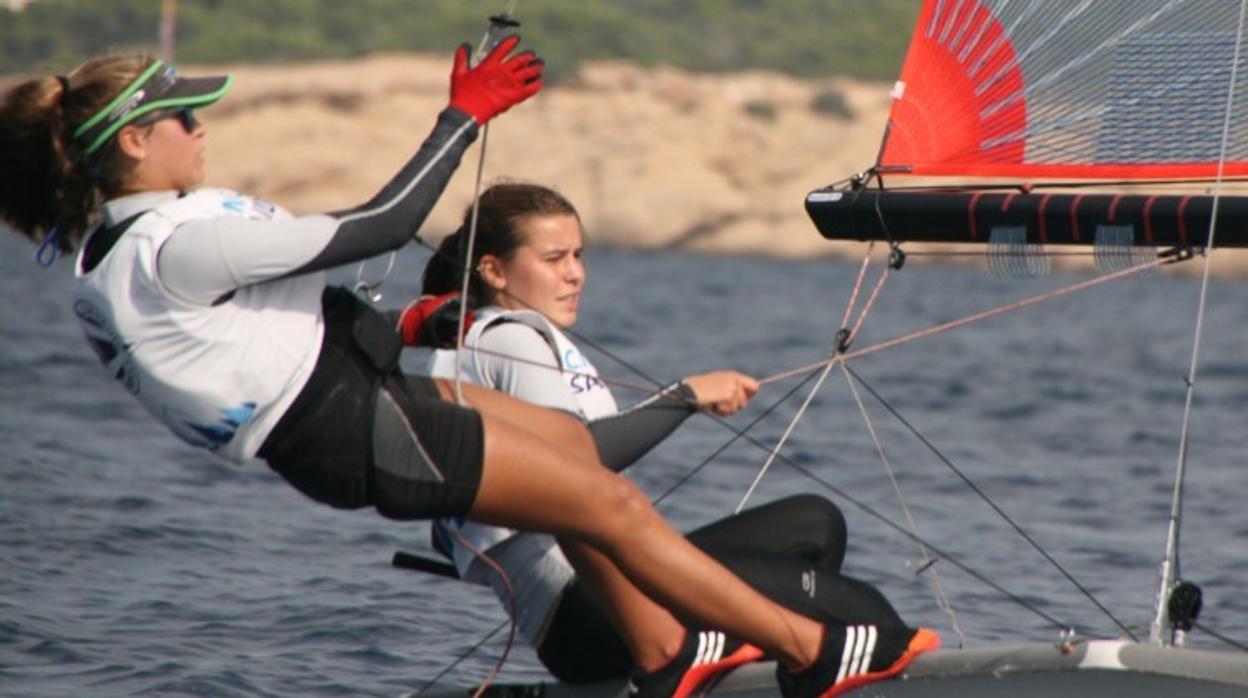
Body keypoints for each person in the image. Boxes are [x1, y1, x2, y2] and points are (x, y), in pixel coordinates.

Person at [0, 41, 937, 698]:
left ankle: (665, 654)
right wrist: (462, 117)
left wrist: (409, 320)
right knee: (605, 502)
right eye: (180, 115)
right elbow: (384, 227)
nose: (200, 125)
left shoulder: (112, 258)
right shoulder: (173, 244)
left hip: (352, 404)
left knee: (571, 447)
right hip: (351, 426)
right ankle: (811, 653)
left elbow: (260, 334)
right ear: (132, 141)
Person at [403, 183, 913, 687]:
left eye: (579, 255)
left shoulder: (477, 341)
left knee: (814, 524)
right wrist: (685, 396)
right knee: (863, 613)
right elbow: (573, 466)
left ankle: (760, 677)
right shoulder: (511, 337)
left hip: (590, 616)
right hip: (591, 614)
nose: (575, 274)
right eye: (555, 258)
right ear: (493, 270)